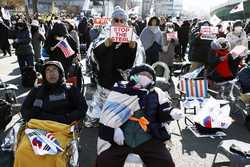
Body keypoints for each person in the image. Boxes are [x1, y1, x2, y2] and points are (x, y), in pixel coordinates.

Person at [96, 64, 183, 167]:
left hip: (148, 137)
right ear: (133, 75)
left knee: (165, 161)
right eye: (142, 74)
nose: (145, 77)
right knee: (104, 160)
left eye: (149, 76)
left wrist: (171, 112)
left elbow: (163, 111)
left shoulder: (157, 93)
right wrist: (114, 129)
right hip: (122, 139)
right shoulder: (120, 89)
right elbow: (108, 114)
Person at [14, 61, 87, 167]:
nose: (51, 73)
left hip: (62, 128)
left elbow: (82, 108)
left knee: (55, 154)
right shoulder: (37, 90)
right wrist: (32, 116)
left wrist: (67, 118)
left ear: (60, 73)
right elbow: (24, 109)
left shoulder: (70, 89)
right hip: (37, 128)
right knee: (22, 151)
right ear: (44, 74)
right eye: (48, 70)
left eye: (54, 70)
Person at [84, 6, 145, 127]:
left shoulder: (131, 37)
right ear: (111, 21)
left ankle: (115, 122)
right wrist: (106, 44)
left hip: (121, 79)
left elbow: (132, 63)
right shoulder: (104, 34)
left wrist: (132, 48)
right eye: (116, 20)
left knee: (117, 105)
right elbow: (95, 54)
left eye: (122, 20)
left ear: (126, 22)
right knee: (101, 103)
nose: (119, 23)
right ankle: (95, 120)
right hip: (105, 77)